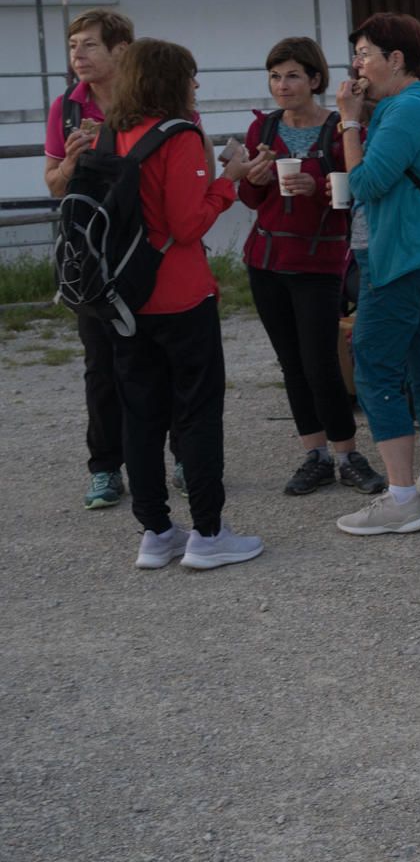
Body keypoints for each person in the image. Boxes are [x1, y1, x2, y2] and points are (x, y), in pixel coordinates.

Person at [106, 38, 263, 570]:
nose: (196, 84)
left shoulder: (112, 132)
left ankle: (155, 532)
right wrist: (228, 181)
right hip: (179, 293)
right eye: (191, 75)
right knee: (196, 413)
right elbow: (188, 223)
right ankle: (208, 533)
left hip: (124, 296)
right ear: (172, 80)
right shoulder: (179, 134)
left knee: (140, 416)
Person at [332, 13, 420, 537]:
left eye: (365, 54)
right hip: (419, 249)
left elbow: (367, 184)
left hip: (398, 254)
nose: (357, 65)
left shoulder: (407, 110)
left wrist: (349, 122)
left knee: (373, 365)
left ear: (396, 59)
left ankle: (402, 498)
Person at [235, 36, 385, 497]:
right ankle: (314, 454)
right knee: (292, 363)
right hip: (265, 261)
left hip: (319, 263)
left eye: (293, 76)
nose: (282, 85)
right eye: (275, 76)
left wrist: (315, 186)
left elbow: (352, 196)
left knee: (321, 363)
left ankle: (347, 455)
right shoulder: (261, 129)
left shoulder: (339, 129)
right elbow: (250, 200)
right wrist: (254, 179)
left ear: (315, 79)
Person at [44, 9, 137, 510]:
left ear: (121, 50)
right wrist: (71, 163)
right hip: (90, 257)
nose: (77, 55)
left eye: (89, 45)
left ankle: (182, 458)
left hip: (142, 248)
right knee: (100, 366)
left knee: (159, 359)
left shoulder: (149, 99)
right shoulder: (66, 108)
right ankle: (105, 467)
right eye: (73, 45)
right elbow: (54, 185)